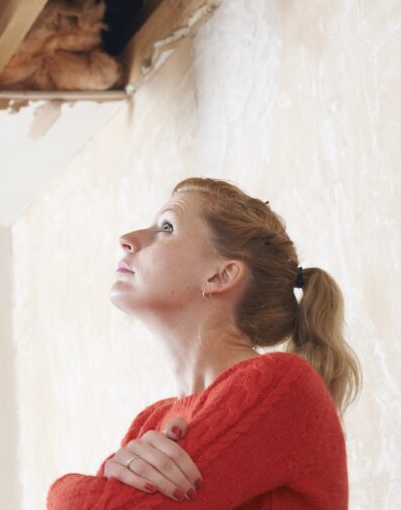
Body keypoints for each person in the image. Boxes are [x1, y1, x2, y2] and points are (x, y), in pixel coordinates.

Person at [47, 178, 361, 509]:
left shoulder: (280, 384)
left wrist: (62, 489)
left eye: (166, 228)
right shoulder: (151, 422)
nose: (127, 240)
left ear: (220, 276)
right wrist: (108, 472)